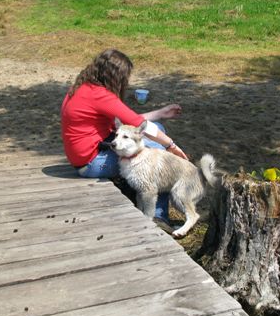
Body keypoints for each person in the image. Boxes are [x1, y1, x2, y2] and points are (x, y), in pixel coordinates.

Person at [61, 49, 187, 225]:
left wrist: (161, 113)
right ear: (115, 76)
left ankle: (146, 202)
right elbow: (137, 124)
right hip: (92, 163)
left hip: (85, 157)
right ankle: (158, 214)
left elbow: (130, 123)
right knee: (160, 157)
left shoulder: (82, 88)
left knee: (157, 129)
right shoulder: (100, 95)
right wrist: (171, 146)